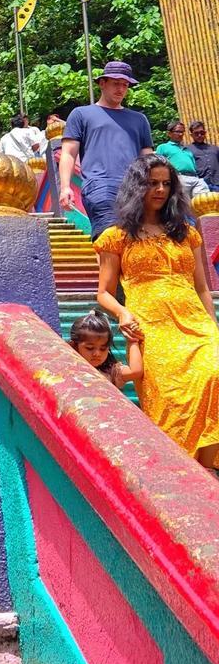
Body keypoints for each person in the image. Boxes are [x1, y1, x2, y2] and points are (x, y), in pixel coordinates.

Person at [95, 154, 219, 470]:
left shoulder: (187, 233)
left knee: (215, 374)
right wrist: (123, 313)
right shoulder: (117, 236)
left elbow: (203, 288)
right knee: (171, 401)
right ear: (137, 187)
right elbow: (104, 294)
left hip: (195, 323)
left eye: (166, 183)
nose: (160, 190)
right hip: (151, 328)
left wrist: (213, 325)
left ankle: (206, 471)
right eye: (153, 183)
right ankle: (180, 471)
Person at [59, 60, 154, 242]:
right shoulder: (81, 114)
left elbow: (148, 158)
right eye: (116, 83)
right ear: (102, 83)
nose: (120, 89)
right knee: (109, 240)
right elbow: (68, 153)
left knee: (137, 243)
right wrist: (65, 187)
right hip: (99, 185)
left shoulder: (139, 119)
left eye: (125, 85)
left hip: (135, 188)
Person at [68, 310, 142, 390]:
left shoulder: (112, 372)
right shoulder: (66, 370)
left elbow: (135, 372)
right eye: (90, 348)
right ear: (74, 345)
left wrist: (132, 339)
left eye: (103, 349)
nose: (97, 353)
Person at [157, 120, 210, 198]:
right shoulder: (163, 147)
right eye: (178, 131)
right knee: (184, 204)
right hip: (179, 177)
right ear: (169, 133)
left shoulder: (187, 149)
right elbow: (158, 166)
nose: (181, 134)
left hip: (195, 178)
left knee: (204, 201)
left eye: (182, 132)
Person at [188, 120, 219, 191]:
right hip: (201, 185)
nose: (199, 135)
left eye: (202, 133)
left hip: (217, 183)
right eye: (196, 133)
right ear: (191, 135)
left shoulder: (215, 148)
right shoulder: (187, 150)